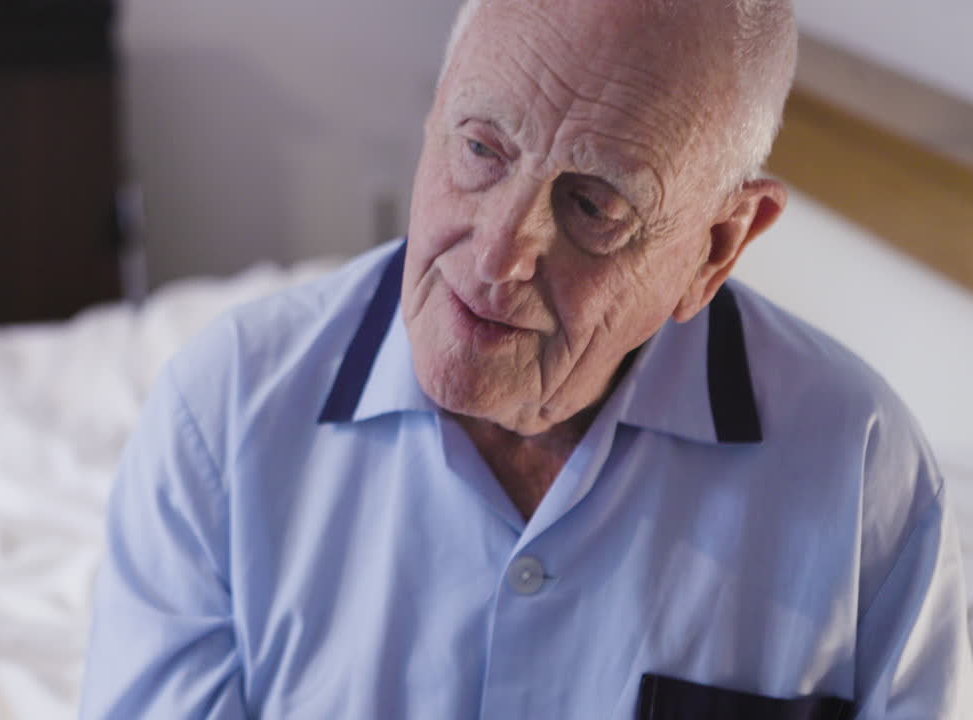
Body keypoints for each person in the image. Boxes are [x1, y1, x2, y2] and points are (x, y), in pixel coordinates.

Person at [81, 0, 973, 717]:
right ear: (435, 110)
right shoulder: (219, 417)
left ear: (717, 248)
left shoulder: (864, 482)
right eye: (480, 148)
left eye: (592, 206)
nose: (497, 253)